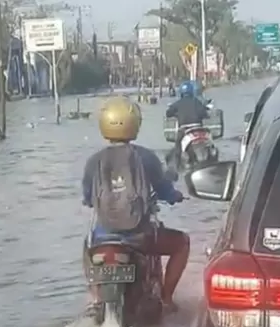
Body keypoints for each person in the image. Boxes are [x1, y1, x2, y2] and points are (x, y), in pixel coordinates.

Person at [82, 96, 190, 313]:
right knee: (182, 244)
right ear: (134, 123)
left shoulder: (94, 161)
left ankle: (95, 298)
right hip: (141, 236)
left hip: (104, 237)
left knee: (88, 248)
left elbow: (87, 196)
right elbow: (163, 189)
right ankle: (167, 298)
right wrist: (174, 196)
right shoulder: (146, 157)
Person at [165, 80, 209, 168]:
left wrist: (175, 113)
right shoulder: (197, 102)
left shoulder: (178, 104)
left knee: (178, 147)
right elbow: (205, 114)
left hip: (184, 130)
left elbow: (168, 113)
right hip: (199, 129)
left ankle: (176, 167)